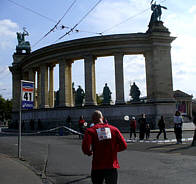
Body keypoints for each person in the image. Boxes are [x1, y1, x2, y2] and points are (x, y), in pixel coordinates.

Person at [82, 110, 127, 184]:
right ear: (102, 118)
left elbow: (85, 148)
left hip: (97, 166)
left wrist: (89, 152)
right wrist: (114, 150)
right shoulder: (114, 129)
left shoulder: (90, 131)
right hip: (111, 166)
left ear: (93, 120)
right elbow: (124, 146)